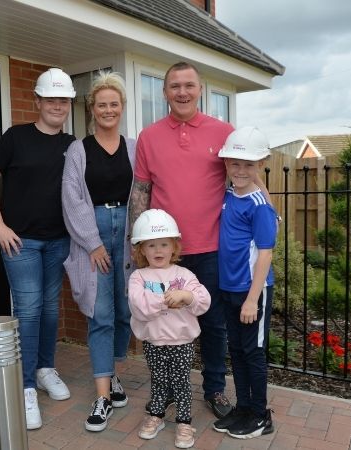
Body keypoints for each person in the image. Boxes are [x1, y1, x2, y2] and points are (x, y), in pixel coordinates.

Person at [129, 61, 270, 419]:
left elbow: (248, 172)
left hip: (211, 248)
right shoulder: (148, 136)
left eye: (189, 85)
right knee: (162, 323)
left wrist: (268, 213)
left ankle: (215, 390)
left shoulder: (223, 131)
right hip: (164, 253)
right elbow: (142, 190)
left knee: (212, 323)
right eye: (174, 85)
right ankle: (169, 388)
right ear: (164, 92)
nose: (182, 92)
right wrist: (137, 246)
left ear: (200, 89)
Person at [0, 67, 76, 430]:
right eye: (50, 99)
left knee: (51, 309)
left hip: (58, 241)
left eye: (63, 101)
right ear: (37, 101)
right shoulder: (16, 137)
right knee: (30, 310)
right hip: (21, 241)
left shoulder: (72, 145)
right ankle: (26, 387)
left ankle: (46, 368)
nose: (57, 106)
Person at [61, 72, 135, 432]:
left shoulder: (133, 147)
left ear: (122, 108)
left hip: (128, 239)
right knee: (101, 314)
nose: (108, 109)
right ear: (92, 108)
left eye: (114, 104)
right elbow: (72, 199)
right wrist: (92, 243)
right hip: (95, 236)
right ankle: (103, 396)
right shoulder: (79, 149)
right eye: (101, 104)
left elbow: (143, 195)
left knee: (124, 314)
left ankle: (113, 372)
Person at [211, 126, 277, 439]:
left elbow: (265, 254)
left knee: (253, 352)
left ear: (260, 165)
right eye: (234, 163)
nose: (240, 170)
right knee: (236, 350)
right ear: (226, 163)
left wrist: (253, 299)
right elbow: (240, 176)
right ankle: (244, 406)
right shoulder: (228, 193)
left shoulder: (259, 206)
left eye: (248, 164)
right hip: (229, 289)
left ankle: (261, 415)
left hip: (253, 291)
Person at [128, 209, 210, 449]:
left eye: (164, 244)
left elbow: (203, 300)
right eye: (151, 246)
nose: (158, 251)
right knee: (158, 380)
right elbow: (138, 304)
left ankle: (184, 422)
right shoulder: (138, 277)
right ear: (141, 249)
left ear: (174, 247)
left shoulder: (184, 275)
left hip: (182, 342)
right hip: (153, 342)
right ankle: (156, 416)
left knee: (182, 382)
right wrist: (167, 299)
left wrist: (186, 296)